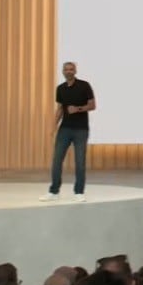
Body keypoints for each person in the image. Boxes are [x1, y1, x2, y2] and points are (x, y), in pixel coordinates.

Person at [40, 61, 96, 202]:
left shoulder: (84, 85)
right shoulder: (60, 89)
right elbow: (60, 109)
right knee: (57, 161)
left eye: (71, 69)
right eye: (66, 69)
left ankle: (79, 192)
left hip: (81, 130)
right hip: (64, 129)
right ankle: (54, 192)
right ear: (63, 71)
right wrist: (53, 126)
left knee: (80, 162)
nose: (69, 71)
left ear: (75, 71)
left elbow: (92, 105)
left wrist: (78, 109)